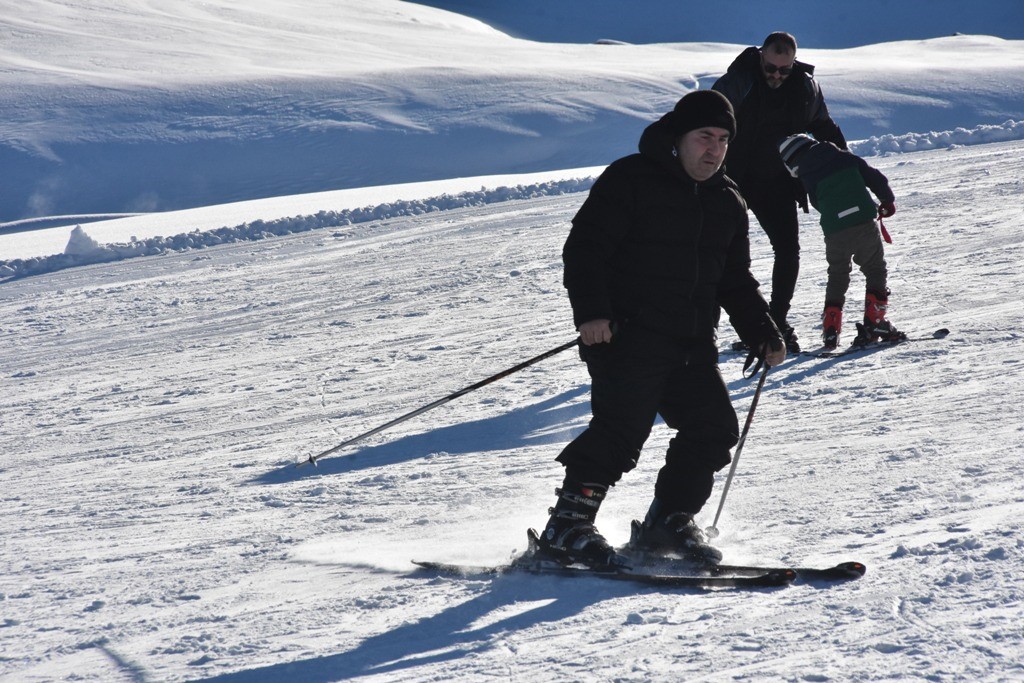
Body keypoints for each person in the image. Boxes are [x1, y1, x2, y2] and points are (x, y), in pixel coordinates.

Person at [535, 90, 786, 570]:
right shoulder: (630, 178)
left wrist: (763, 330)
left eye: (723, 140)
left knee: (712, 427)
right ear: (678, 137)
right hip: (626, 335)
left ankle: (666, 522)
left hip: (691, 341)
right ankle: (566, 525)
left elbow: (734, 279)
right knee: (620, 432)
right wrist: (591, 313)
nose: (714, 149)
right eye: (704, 137)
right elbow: (585, 250)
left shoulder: (728, 199)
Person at [712, 32, 847, 352]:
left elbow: (824, 126)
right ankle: (706, 327)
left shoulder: (804, 88)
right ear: (761, 57)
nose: (776, 75)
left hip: (777, 183)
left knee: (788, 250)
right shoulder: (738, 82)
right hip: (730, 181)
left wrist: (845, 165)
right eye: (771, 67)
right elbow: (703, 119)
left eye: (783, 70)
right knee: (716, 251)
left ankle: (776, 323)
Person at [777, 134, 905, 349]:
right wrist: (887, 200)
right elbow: (875, 178)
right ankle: (875, 323)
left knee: (837, 274)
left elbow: (819, 203)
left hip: (834, 230)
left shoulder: (807, 175)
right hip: (863, 220)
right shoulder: (843, 156)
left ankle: (831, 329)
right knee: (874, 269)